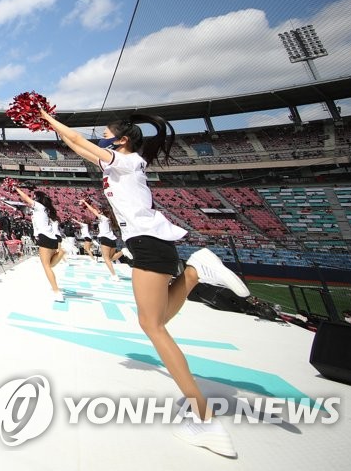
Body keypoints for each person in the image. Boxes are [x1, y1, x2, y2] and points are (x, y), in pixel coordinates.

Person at [38, 108, 247, 457]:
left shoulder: (126, 160)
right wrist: (54, 129)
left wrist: (47, 117)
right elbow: (77, 146)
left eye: (106, 132)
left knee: (153, 327)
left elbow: (76, 139)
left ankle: (204, 416)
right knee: (157, 321)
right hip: (152, 243)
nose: (101, 136)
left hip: (148, 243)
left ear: (120, 139)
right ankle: (195, 270)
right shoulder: (121, 161)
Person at [13, 187, 66, 301]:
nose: (33, 199)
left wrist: (16, 188)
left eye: (35, 198)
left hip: (45, 237)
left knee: (47, 267)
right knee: (50, 265)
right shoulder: (45, 209)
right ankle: (61, 252)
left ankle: (56, 291)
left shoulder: (39, 207)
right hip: (52, 238)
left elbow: (26, 198)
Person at [81, 198, 123, 279]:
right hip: (112, 239)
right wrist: (91, 203)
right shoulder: (110, 219)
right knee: (110, 259)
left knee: (106, 258)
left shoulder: (102, 218)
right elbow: (95, 209)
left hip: (105, 238)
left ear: (103, 212)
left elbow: (93, 210)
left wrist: (85, 202)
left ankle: (114, 275)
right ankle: (123, 251)